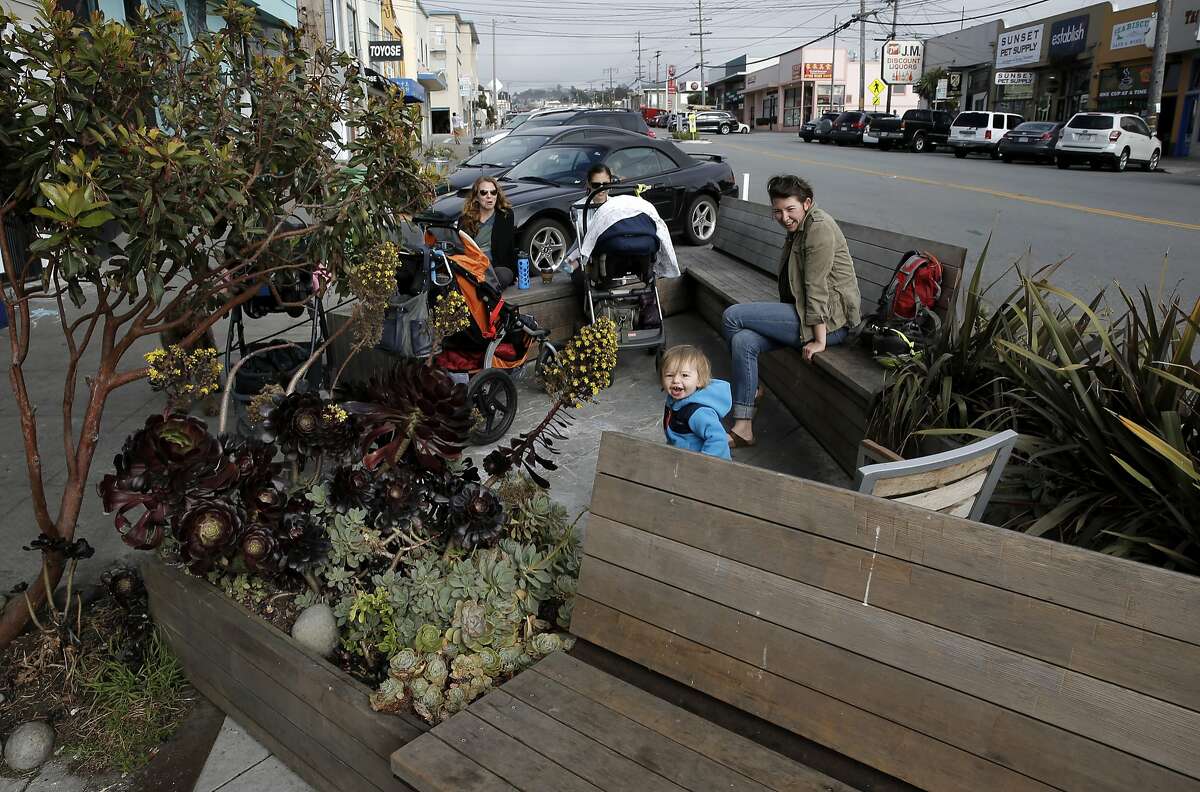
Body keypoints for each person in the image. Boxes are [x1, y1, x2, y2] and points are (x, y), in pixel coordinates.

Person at [722, 175, 861, 448]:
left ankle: (750, 393)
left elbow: (816, 286)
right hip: (803, 312)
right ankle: (744, 426)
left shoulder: (818, 228)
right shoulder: (799, 226)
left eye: (790, 209)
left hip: (832, 322)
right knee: (743, 341)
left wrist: (819, 340)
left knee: (733, 316)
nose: (783, 216)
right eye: (777, 210)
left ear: (806, 204)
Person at [661, 345, 732, 460]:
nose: (675, 380)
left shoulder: (698, 412)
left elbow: (718, 439)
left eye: (684, 375)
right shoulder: (674, 400)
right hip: (681, 460)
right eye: (669, 375)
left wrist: (702, 465)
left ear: (699, 380)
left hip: (705, 469)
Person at [457, 176, 516, 290]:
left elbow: (509, 246)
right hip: (473, 266)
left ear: (497, 195)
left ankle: (482, 289)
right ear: (476, 197)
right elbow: (462, 249)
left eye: (493, 192)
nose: (489, 196)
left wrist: (515, 273)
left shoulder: (506, 216)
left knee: (503, 275)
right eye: (484, 192)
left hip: (495, 268)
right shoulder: (465, 220)